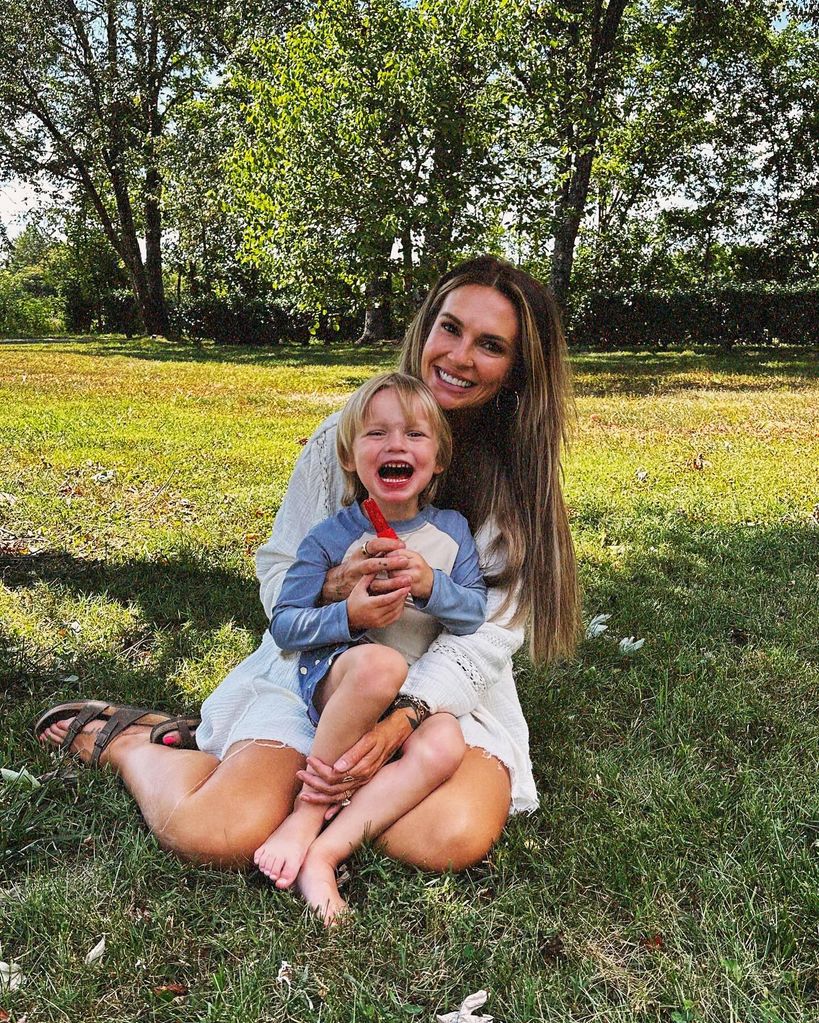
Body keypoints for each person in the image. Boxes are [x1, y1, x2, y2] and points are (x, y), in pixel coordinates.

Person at [37, 254, 580, 888]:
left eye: (491, 345)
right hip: (321, 670)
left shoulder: (520, 488)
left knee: (442, 838)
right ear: (425, 329)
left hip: (443, 699)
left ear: (518, 371)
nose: (460, 356)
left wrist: (402, 718)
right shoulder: (346, 440)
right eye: (450, 328)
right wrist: (332, 590)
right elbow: (279, 568)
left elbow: (488, 633)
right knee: (215, 832)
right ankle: (135, 741)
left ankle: (332, 797)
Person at [254, 372, 486, 921]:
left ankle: (327, 853)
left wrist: (430, 584)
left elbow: (475, 613)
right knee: (379, 663)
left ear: (439, 459)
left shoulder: (452, 531)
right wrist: (348, 615)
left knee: (446, 743)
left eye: (415, 434)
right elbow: (286, 625)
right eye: (375, 434)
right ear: (350, 457)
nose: (396, 445)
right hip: (341, 676)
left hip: (409, 691)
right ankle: (308, 813)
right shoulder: (331, 537)